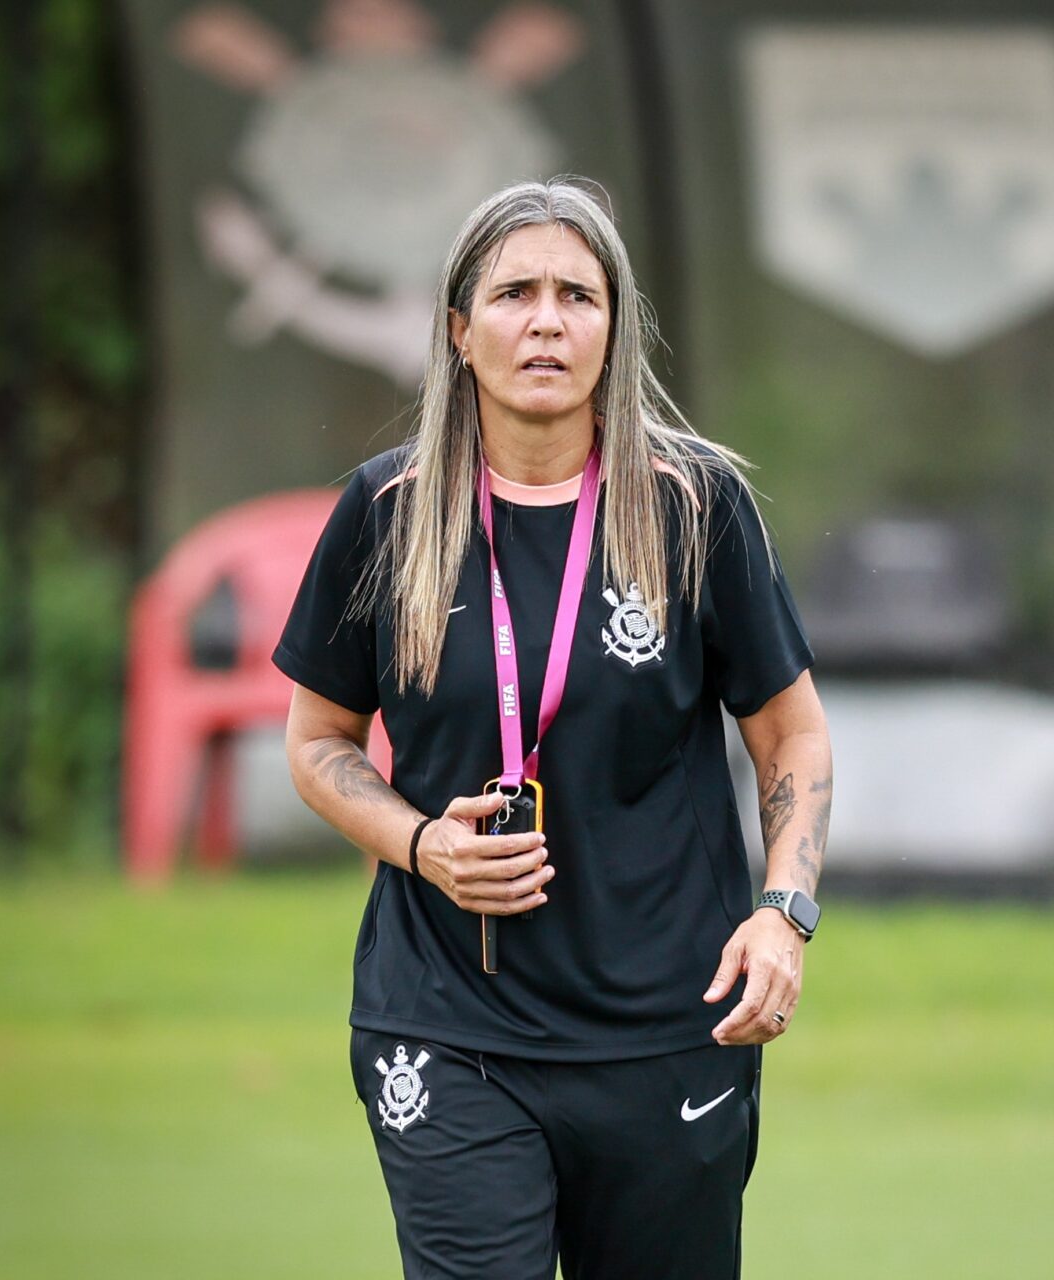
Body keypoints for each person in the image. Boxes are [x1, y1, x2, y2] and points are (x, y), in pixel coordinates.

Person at [274, 177, 831, 1280]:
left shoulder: (694, 505)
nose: (545, 319)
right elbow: (318, 740)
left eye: (578, 294)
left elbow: (793, 736)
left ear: (614, 330)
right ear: (458, 328)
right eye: (514, 292)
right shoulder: (387, 511)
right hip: (446, 1023)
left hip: (670, 1024)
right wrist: (424, 844)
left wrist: (783, 914)